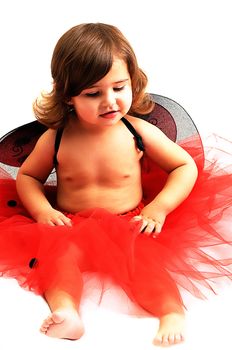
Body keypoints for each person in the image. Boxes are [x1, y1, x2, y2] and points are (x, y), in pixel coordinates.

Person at [0, 23, 231, 347]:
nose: (109, 101)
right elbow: (27, 176)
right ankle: (67, 313)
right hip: (70, 224)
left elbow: (184, 166)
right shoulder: (58, 137)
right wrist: (40, 210)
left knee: (144, 263)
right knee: (58, 259)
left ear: (132, 83)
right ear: (67, 95)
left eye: (119, 87)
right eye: (94, 93)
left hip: (130, 222)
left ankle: (171, 312)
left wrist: (159, 207)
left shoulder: (135, 131)